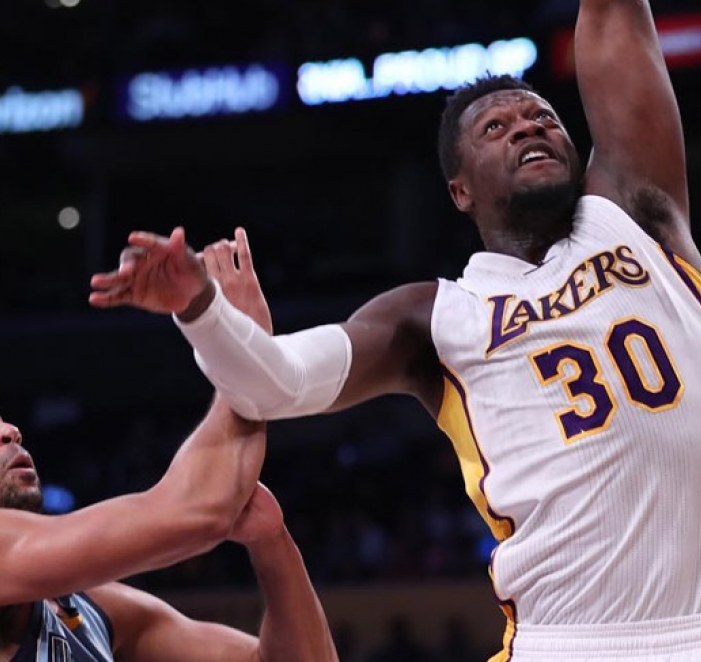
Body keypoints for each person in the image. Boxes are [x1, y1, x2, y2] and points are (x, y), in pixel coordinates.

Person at [90, 1, 701, 660]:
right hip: (571, 642)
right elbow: (273, 384)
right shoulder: (429, 316)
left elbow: (612, 15)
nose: (528, 126)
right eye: (495, 127)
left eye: (543, 118)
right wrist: (201, 309)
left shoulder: (635, 215)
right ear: (460, 191)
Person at [0, 247, 338, 662]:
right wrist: (239, 350)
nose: (10, 431)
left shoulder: (88, 608)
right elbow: (196, 510)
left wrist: (271, 543)